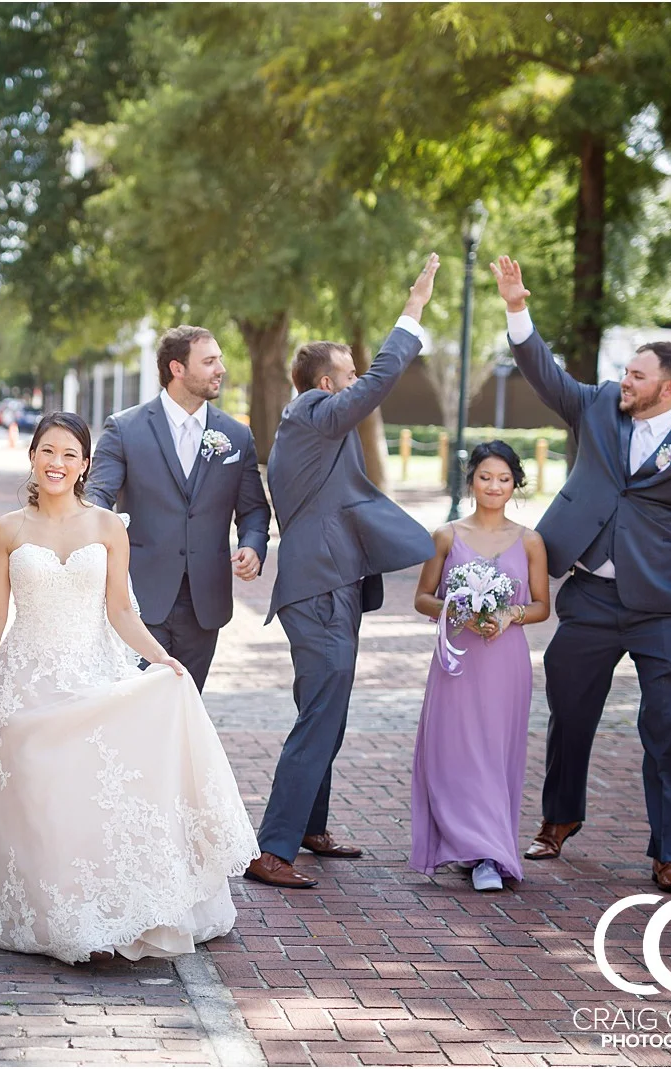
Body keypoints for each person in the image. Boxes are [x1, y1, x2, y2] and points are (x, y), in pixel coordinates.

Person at [0, 412, 259, 964]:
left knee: (90, 796)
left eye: (70, 455)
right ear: (32, 457)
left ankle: (100, 911)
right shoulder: (8, 529)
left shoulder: (108, 527)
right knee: (40, 798)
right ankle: (53, 913)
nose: (57, 463)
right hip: (25, 683)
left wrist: (161, 658)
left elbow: (119, 608)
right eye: (48, 451)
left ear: (85, 465)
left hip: (94, 673)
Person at [490, 256, 671, 894]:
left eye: (637, 374)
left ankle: (670, 851)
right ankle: (559, 819)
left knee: (668, 729)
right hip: (591, 600)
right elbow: (544, 373)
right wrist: (517, 308)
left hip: (665, 608)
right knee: (570, 713)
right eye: (625, 371)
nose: (624, 380)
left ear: (668, 387)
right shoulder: (599, 407)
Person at [249, 254, 441, 890]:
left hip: (333, 585)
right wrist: (411, 311)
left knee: (324, 707)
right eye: (349, 376)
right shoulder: (310, 414)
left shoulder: (315, 427)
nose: (359, 383)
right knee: (320, 715)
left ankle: (309, 826)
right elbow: (381, 378)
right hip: (317, 588)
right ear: (328, 386)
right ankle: (271, 849)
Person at [85, 326, 270, 692]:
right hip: (137, 598)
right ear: (177, 369)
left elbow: (254, 510)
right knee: (137, 709)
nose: (221, 369)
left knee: (187, 707)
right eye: (210, 361)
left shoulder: (235, 436)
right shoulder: (125, 429)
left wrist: (252, 544)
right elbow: (96, 501)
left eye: (219, 360)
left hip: (205, 602)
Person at [410, 441, 550, 892]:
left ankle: (491, 853)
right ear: (471, 479)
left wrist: (510, 614)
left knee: (494, 754)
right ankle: (465, 844)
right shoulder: (446, 536)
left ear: (516, 485)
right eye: (486, 477)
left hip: (505, 663)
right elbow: (422, 598)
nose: (494, 486)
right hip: (458, 660)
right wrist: (458, 611)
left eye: (504, 479)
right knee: (455, 752)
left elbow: (543, 606)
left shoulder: (530, 540)